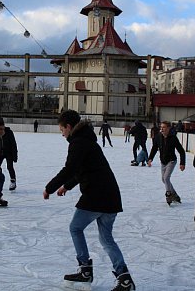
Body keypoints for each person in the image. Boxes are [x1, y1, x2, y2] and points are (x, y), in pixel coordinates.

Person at [43, 110, 135, 291]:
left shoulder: (77, 143)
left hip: (96, 196)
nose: (62, 134)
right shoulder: (87, 141)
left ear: (69, 127)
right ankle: (124, 278)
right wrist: (66, 187)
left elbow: (69, 169)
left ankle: (85, 270)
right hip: (110, 196)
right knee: (106, 239)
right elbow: (80, 171)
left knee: (75, 228)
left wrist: (49, 188)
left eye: (62, 129)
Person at [147, 121, 186, 205]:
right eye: (161, 127)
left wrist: (182, 163)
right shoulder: (158, 137)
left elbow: (181, 151)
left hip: (171, 161)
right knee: (163, 179)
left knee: (166, 178)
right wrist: (150, 158)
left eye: (164, 127)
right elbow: (154, 148)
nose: (162, 129)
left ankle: (168, 194)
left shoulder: (173, 138)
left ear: (168, 128)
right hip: (163, 162)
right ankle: (174, 195)